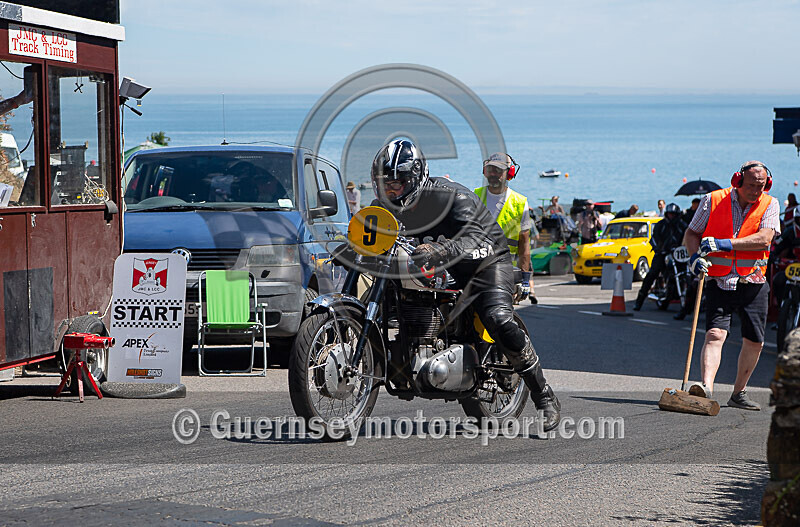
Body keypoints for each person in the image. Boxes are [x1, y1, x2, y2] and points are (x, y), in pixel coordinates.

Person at [370, 139, 561, 430]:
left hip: (483, 261)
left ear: (415, 177)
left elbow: (475, 237)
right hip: (432, 266)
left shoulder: (450, 197)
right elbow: (367, 236)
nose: (391, 189)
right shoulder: (381, 206)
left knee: (497, 318)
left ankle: (543, 394)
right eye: (385, 183)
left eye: (397, 182)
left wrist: (440, 250)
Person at [684, 161, 780, 410]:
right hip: (719, 280)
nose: (756, 191)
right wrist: (695, 258)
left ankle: (739, 392)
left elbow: (765, 238)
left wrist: (726, 244)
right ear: (737, 181)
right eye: (751, 185)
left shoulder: (770, 204)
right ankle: (706, 387)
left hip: (754, 281)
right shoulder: (712, 200)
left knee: (755, 341)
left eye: (761, 186)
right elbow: (692, 234)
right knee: (715, 334)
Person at [474, 152, 537, 304]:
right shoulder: (474, 196)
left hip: (505, 271)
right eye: (490, 169)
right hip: (477, 268)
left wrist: (525, 279)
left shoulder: (520, 203)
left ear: (509, 173)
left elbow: (524, 245)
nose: (493, 174)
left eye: (498, 170)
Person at [633, 203, 687, 311]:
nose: (671, 216)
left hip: (678, 254)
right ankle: (639, 300)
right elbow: (653, 238)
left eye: (673, 214)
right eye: (670, 214)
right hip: (662, 253)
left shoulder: (682, 225)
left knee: (687, 272)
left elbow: (687, 237)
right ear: (666, 214)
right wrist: (659, 248)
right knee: (652, 273)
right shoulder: (661, 225)